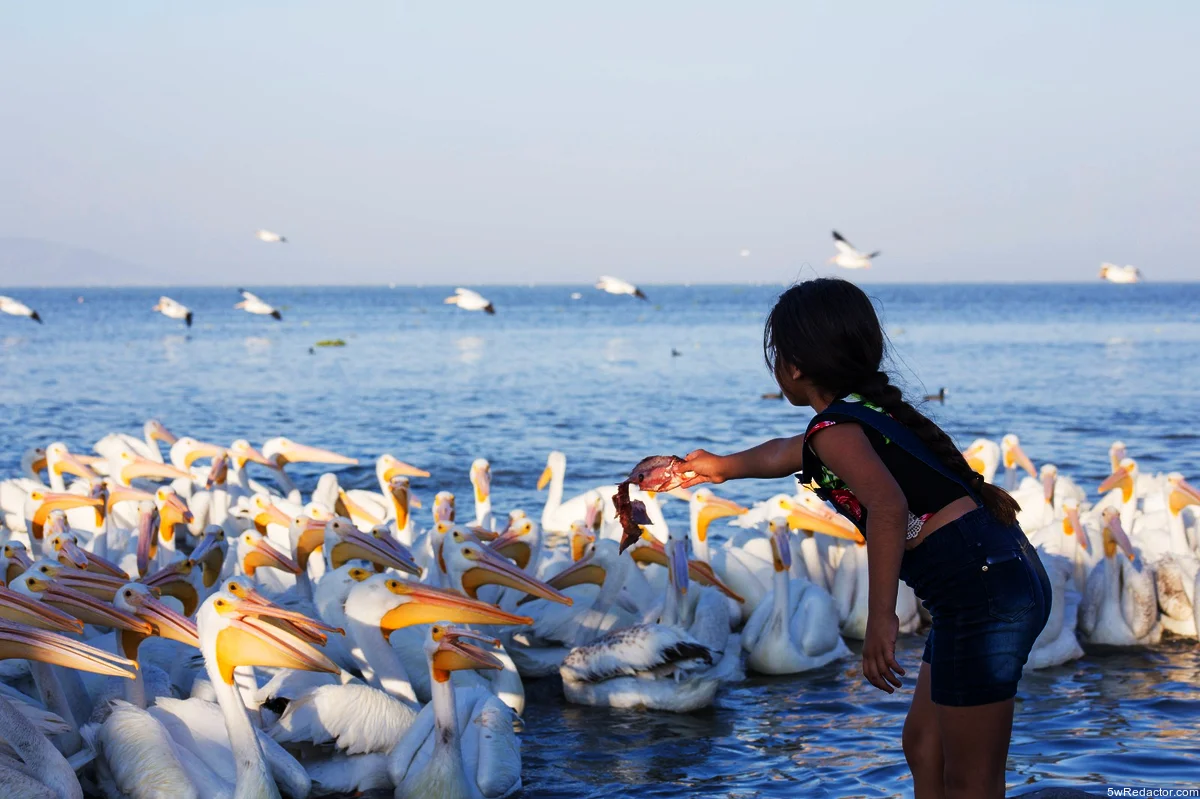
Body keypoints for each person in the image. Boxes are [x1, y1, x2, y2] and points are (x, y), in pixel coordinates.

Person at [679, 278, 1050, 799]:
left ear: (794, 367)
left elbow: (888, 506)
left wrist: (882, 619)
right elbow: (782, 452)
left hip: (980, 588)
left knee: (972, 778)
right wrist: (718, 468)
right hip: (988, 577)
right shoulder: (856, 416)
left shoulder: (836, 429)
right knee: (924, 746)